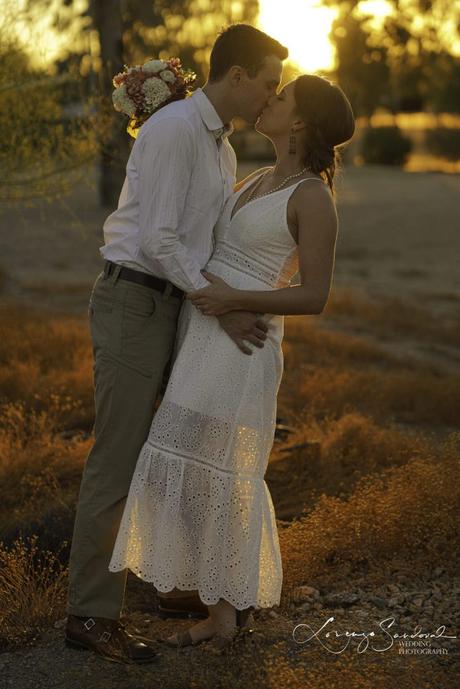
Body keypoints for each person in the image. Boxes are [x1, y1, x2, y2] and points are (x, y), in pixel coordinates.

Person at [64, 24, 288, 665]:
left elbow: (206, 246)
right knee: (120, 452)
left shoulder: (221, 152)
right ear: (237, 75)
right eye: (267, 83)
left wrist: (236, 301)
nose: (271, 95)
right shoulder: (172, 131)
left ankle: (180, 588)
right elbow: (160, 241)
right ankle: (89, 613)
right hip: (136, 300)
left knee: (175, 446)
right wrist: (218, 306)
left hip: (179, 308)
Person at [108, 74, 355, 653]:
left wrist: (236, 301)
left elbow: (314, 294)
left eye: (283, 96)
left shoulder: (312, 196)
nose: (271, 99)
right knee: (188, 466)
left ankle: (225, 615)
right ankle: (219, 606)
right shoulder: (256, 179)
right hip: (208, 328)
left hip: (243, 344)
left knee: (218, 471)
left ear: (299, 122)